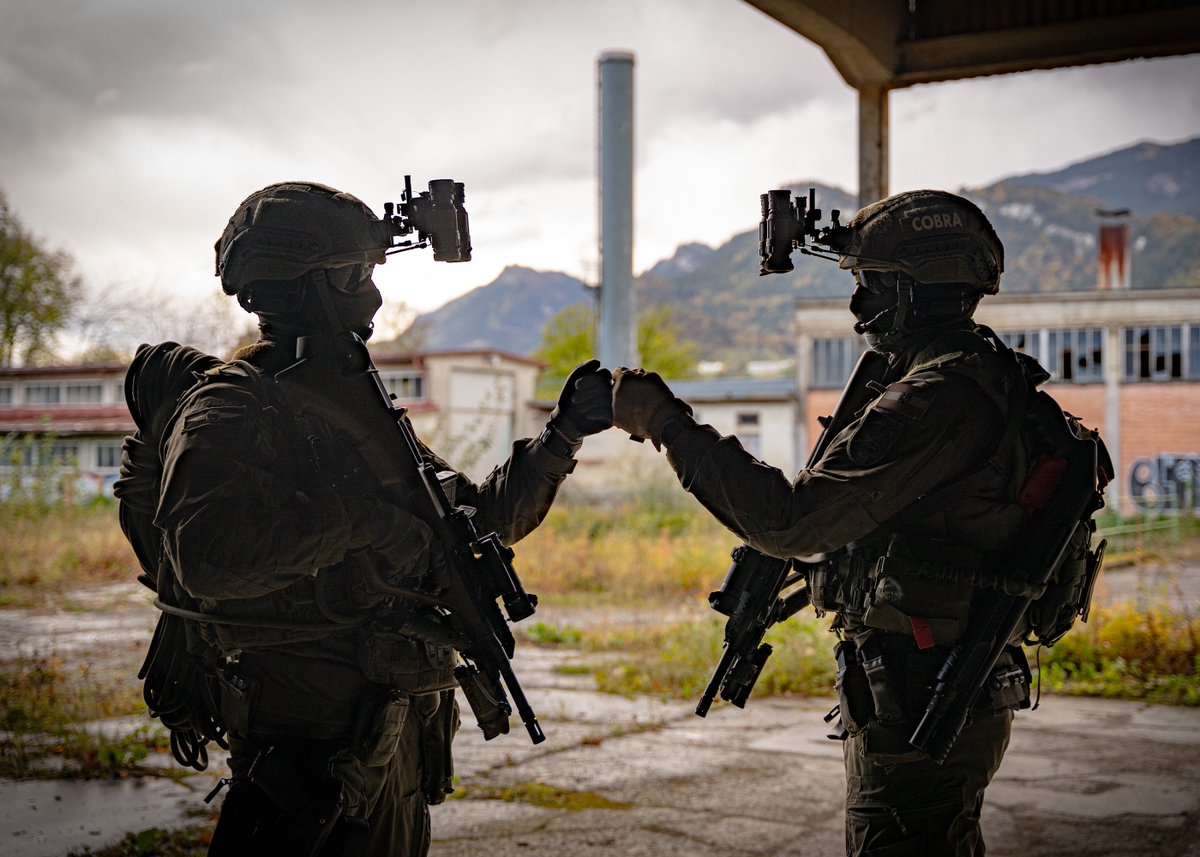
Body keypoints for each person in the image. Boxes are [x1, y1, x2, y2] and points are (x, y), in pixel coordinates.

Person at [124, 181, 611, 856]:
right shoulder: (234, 408)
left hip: (393, 726)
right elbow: (207, 560)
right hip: (311, 739)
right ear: (299, 286)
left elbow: (476, 517)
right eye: (355, 276)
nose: (373, 296)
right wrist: (363, 523)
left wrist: (563, 435)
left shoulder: (364, 411)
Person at [612, 190, 1059, 856]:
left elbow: (794, 523)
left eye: (874, 283)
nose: (858, 304)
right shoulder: (976, 377)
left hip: (924, 687)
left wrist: (667, 422)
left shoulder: (938, 398)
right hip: (923, 677)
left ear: (922, 290)